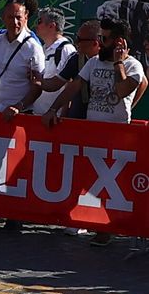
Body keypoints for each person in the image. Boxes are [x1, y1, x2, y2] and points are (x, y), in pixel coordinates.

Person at [43, 18, 144, 247]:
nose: (100, 42)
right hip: (92, 132)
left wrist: (118, 63)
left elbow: (121, 91)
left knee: (112, 186)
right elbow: (73, 87)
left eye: (104, 38)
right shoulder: (92, 63)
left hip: (117, 135)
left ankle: (108, 229)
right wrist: (52, 108)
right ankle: (90, 223)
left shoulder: (133, 66)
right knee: (88, 180)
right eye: (99, 37)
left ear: (118, 42)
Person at [29, 8, 76, 115]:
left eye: (39, 21)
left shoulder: (66, 49)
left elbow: (70, 85)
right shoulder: (42, 48)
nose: (36, 25)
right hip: (36, 114)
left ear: (52, 25)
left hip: (54, 119)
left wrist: (63, 115)